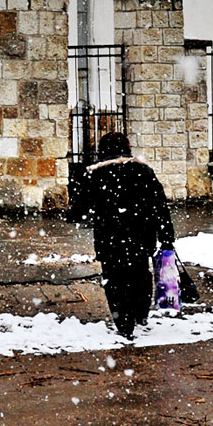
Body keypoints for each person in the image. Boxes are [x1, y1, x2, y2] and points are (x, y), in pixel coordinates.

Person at [80, 131, 175, 339]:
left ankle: (123, 321)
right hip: (141, 236)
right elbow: (160, 206)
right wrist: (166, 236)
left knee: (114, 279)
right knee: (140, 273)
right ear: (127, 148)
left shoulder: (96, 174)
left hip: (109, 238)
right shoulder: (143, 171)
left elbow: (79, 210)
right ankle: (140, 312)